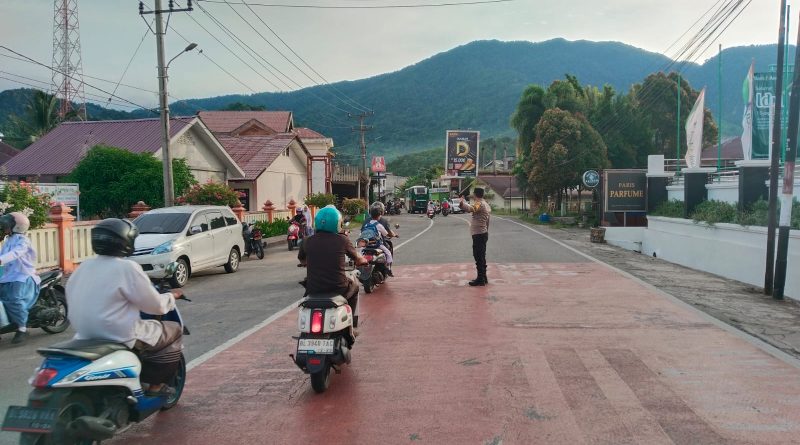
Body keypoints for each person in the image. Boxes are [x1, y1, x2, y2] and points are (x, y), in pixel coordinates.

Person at [66, 218, 185, 397]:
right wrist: (172, 296)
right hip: (120, 334)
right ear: (126, 241)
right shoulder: (127, 268)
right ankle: (155, 386)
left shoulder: (83, 267)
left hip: (85, 334)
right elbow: (156, 306)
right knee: (173, 330)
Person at [298, 205, 367, 328]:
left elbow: (302, 260)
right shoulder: (342, 240)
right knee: (355, 287)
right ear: (337, 223)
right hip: (338, 288)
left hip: (313, 289)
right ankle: (350, 324)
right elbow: (358, 258)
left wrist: (307, 262)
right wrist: (363, 260)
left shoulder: (307, 241)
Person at [0, 212, 41, 344]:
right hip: (8, 276)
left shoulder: (23, 241)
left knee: (15, 300)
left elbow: (15, 253)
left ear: (16, 226)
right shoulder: (8, 240)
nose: (4, 228)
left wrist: (1, 259)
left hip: (22, 276)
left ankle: (22, 329)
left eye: (6, 226)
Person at [460, 188, 491, 286]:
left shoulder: (480, 203)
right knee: (482, 256)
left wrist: (462, 204)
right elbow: (488, 220)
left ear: (475, 194)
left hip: (479, 234)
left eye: (473, 194)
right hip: (483, 232)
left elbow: (471, 209)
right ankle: (483, 277)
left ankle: (480, 279)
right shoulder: (485, 203)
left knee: (478, 256)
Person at [361, 205, 394, 276]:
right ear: (379, 216)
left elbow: (361, 234)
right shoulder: (379, 225)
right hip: (377, 245)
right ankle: (388, 268)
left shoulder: (366, 224)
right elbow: (385, 234)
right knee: (388, 252)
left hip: (366, 245)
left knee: (361, 252)